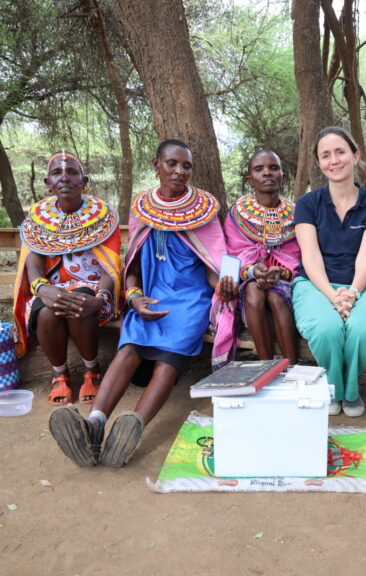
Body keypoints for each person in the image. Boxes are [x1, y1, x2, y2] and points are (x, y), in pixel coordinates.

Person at [48, 139, 236, 468]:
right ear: (156, 164)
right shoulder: (142, 208)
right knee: (129, 347)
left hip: (192, 299)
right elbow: (131, 268)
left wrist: (225, 287)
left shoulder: (204, 209)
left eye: (186, 166)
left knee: (168, 359)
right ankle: (94, 424)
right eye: (172, 164)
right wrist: (134, 297)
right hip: (150, 294)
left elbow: (214, 266)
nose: (180, 171)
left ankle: (133, 426)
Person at [13, 149, 122, 405]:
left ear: (84, 181)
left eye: (73, 172)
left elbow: (110, 266)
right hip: (51, 291)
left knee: (80, 303)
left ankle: (91, 371)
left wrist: (101, 297)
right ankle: (60, 376)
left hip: (95, 290)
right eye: (57, 173)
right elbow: (34, 266)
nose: (65, 178)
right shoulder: (37, 219)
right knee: (48, 312)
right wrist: (43, 290)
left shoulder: (103, 216)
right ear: (48, 183)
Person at [292, 126, 366, 418]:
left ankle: (350, 389)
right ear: (319, 164)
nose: (334, 160)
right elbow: (311, 256)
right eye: (326, 155)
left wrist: (353, 293)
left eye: (340, 152)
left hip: (361, 285)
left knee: (364, 330)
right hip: (315, 285)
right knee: (325, 329)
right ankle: (334, 388)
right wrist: (334, 296)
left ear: (355, 156)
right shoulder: (308, 204)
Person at [214, 149, 300, 367]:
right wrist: (252, 272)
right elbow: (232, 254)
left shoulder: (296, 214)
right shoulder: (237, 213)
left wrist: (281, 273)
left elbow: (299, 256)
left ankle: (292, 369)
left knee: (275, 297)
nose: (267, 173)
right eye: (259, 169)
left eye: (273, 168)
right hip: (249, 281)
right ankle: (266, 368)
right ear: (249, 179)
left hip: (287, 282)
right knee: (254, 289)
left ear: (282, 174)